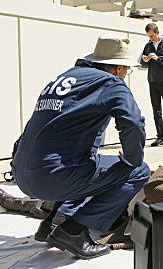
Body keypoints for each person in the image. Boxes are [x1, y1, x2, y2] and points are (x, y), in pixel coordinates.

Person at [11, 36, 150, 259]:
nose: (126, 75)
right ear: (117, 68)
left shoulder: (62, 79)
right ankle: (72, 232)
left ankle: (49, 225)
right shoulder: (110, 82)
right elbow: (133, 122)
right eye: (126, 70)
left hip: (22, 174)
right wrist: (132, 160)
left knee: (85, 160)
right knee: (137, 170)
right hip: (51, 178)